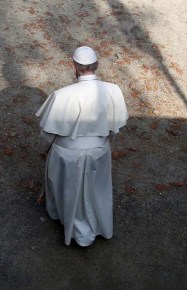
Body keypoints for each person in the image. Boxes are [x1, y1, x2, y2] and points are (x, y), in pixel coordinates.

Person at [36, 46, 128, 247]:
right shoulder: (113, 90)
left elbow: (47, 133)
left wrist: (42, 151)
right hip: (99, 150)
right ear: (97, 65)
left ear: (74, 67)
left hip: (66, 153)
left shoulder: (61, 95)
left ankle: (72, 226)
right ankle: (97, 227)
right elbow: (115, 127)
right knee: (96, 189)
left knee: (67, 190)